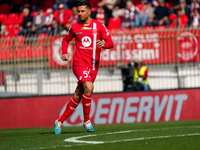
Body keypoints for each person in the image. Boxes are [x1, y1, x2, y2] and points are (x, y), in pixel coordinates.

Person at [54, 1, 114, 134]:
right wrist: (64, 52)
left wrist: (104, 44)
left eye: (82, 11)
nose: (79, 14)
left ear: (89, 12)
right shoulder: (75, 27)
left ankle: (59, 121)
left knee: (78, 94)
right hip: (79, 63)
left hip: (93, 65)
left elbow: (111, 43)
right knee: (89, 87)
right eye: (78, 11)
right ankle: (87, 120)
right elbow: (65, 40)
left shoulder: (99, 26)